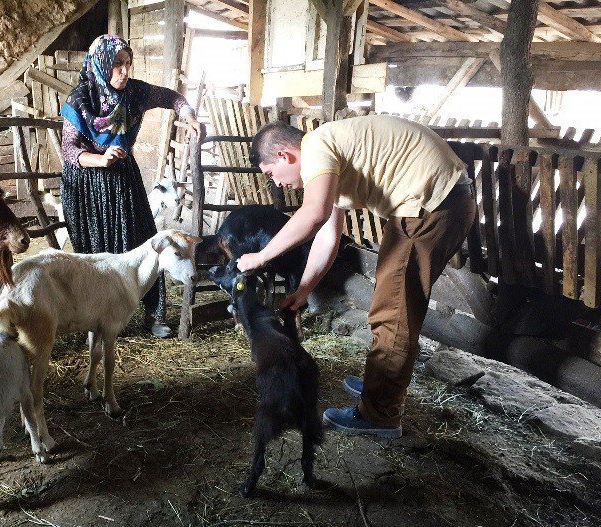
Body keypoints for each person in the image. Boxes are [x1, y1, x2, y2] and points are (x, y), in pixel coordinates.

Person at [237, 115, 477, 439]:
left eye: (271, 174)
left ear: (283, 155)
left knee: (394, 312)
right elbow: (326, 236)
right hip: (432, 200)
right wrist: (305, 289)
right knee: (391, 302)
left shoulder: (317, 148)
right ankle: (381, 387)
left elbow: (313, 215)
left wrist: (261, 256)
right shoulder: (327, 161)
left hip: (431, 204)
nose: (276, 183)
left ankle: (379, 414)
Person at [60, 34, 204, 338]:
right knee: (95, 253)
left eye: (128, 63)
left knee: (146, 240)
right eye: (117, 65)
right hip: (86, 184)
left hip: (123, 178)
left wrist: (189, 115)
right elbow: (70, 151)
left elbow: (173, 98)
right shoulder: (79, 99)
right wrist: (100, 160)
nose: (125, 71)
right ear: (101, 64)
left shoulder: (136, 93)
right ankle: (96, 319)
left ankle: (154, 314)